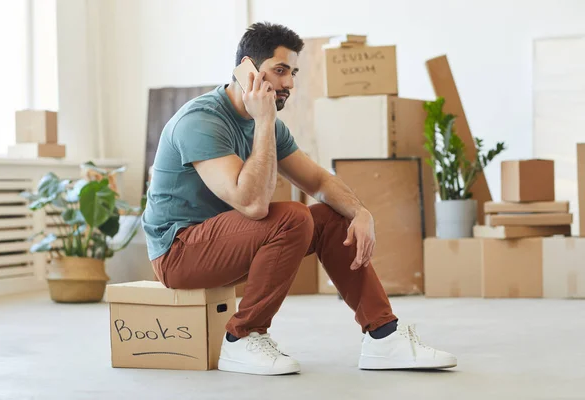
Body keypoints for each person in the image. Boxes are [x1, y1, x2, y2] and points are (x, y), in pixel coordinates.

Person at [142, 22, 457, 376]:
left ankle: (383, 336)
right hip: (179, 252)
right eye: (279, 71)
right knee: (293, 216)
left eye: (292, 72)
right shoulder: (202, 121)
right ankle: (242, 338)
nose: (289, 83)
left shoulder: (269, 124)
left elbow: (319, 180)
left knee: (331, 216)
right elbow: (253, 205)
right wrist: (263, 122)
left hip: (226, 241)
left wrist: (361, 212)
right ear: (247, 70)